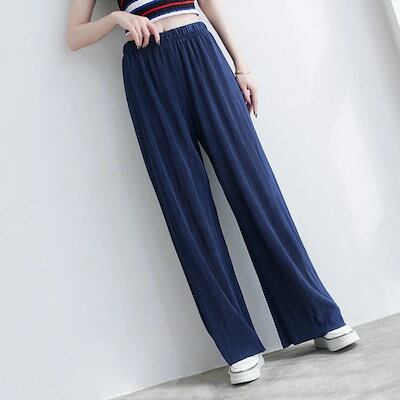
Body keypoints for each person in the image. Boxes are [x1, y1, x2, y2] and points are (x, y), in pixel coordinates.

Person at [67, 0, 360, 385]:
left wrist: (241, 66)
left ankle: (317, 316)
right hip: (146, 68)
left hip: (200, 50)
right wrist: (116, 18)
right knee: (185, 204)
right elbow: (74, 36)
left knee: (255, 186)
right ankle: (238, 344)